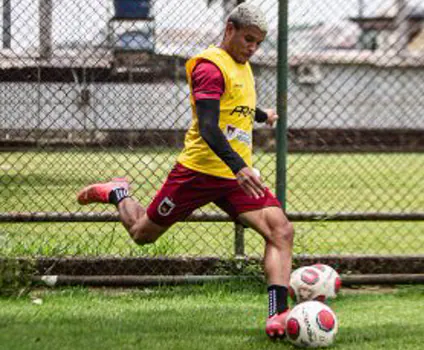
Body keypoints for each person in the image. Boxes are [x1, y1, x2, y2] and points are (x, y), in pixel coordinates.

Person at [76, 3, 293, 340]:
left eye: (259, 43)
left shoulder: (243, 66)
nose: (252, 48)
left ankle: (278, 316)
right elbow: (208, 125)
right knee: (141, 233)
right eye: (248, 39)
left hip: (235, 179)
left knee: (281, 231)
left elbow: (236, 108)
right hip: (198, 172)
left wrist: (262, 116)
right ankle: (118, 192)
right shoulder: (209, 67)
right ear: (230, 29)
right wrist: (239, 167)